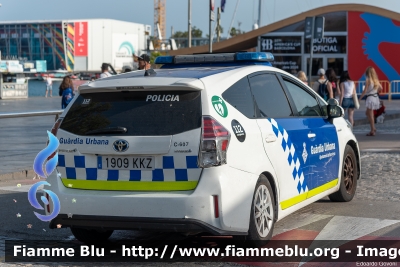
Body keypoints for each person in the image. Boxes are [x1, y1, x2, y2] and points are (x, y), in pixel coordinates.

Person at [359, 66, 382, 136]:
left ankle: (372, 130)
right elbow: (381, 88)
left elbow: (365, 90)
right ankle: (373, 127)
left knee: (370, 114)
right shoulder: (376, 80)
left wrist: (359, 98)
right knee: (368, 113)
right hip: (375, 97)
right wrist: (375, 90)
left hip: (370, 98)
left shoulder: (368, 80)